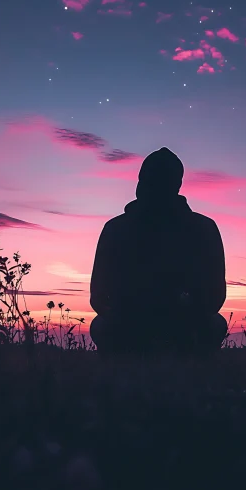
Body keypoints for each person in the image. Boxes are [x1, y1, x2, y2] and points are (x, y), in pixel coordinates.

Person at [89, 147, 227, 355]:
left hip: (180, 327)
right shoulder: (204, 227)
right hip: (137, 326)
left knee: (214, 325)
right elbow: (98, 295)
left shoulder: (115, 228)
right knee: (214, 325)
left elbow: (98, 296)